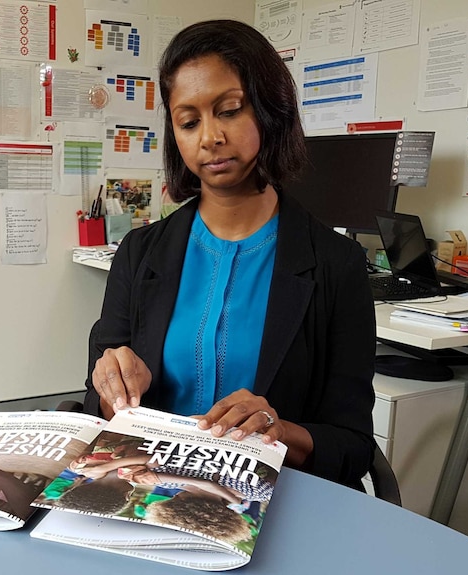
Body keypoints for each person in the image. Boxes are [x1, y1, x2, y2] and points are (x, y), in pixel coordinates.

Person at [82, 19, 375, 490]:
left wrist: (280, 431)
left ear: (269, 110)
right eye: (189, 121)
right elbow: (98, 408)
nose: (210, 138)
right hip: (145, 489)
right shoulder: (140, 253)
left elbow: (353, 445)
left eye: (230, 111)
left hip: (275, 497)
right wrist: (110, 388)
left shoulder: (336, 264)